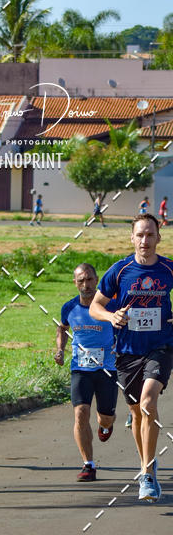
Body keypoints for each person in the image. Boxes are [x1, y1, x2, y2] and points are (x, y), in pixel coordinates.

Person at [90, 214, 173, 502]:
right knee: (137, 413)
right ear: (132, 238)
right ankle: (146, 462)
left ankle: (148, 475)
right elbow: (94, 306)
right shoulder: (120, 270)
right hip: (126, 351)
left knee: (149, 403)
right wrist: (111, 316)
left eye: (150, 235)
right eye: (140, 235)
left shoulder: (168, 269)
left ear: (158, 238)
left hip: (160, 347)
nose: (145, 240)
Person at [54, 263, 118, 481]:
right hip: (80, 369)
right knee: (80, 414)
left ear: (97, 280)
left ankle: (105, 425)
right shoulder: (69, 308)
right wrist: (60, 350)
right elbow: (62, 328)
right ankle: (88, 465)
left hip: (107, 369)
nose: (86, 284)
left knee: (106, 418)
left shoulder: (110, 306)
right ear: (75, 283)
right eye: (81, 280)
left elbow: (124, 327)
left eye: (90, 279)